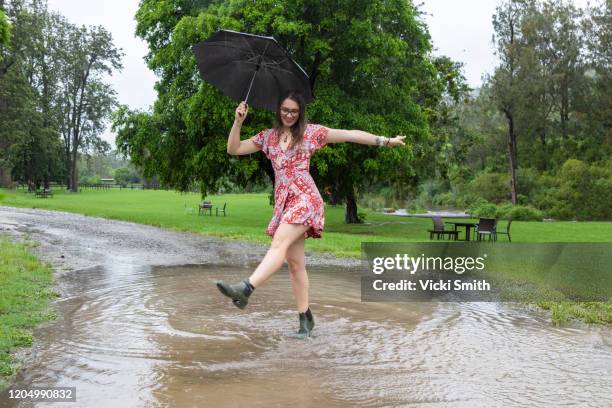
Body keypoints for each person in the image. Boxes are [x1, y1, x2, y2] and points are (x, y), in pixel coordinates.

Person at [216, 90, 405, 338]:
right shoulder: (268, 137)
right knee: (295, 265)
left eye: (294, 111)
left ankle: (246, 288)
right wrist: (238, 121)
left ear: (300, 112)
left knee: (279, 243)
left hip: (306, 199)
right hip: (285, 201)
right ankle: (306, 320)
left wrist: (386, 141)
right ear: (278, 110)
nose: (289, 115)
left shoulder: (311, 133)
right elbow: (234, 149)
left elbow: (350, 135)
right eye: (285, 110)